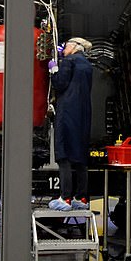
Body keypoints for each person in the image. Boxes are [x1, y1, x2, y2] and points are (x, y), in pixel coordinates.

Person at [48, 37, 93, 211]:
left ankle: (65, 198)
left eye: (65, 46)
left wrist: (54, 70)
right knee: (80, 157)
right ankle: (81, 198)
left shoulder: (69, 62)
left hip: (67, 113)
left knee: (64, 155)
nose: (63, 49)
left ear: (74, 47)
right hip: (83, 115)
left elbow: (60, 84)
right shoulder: (87, 65)